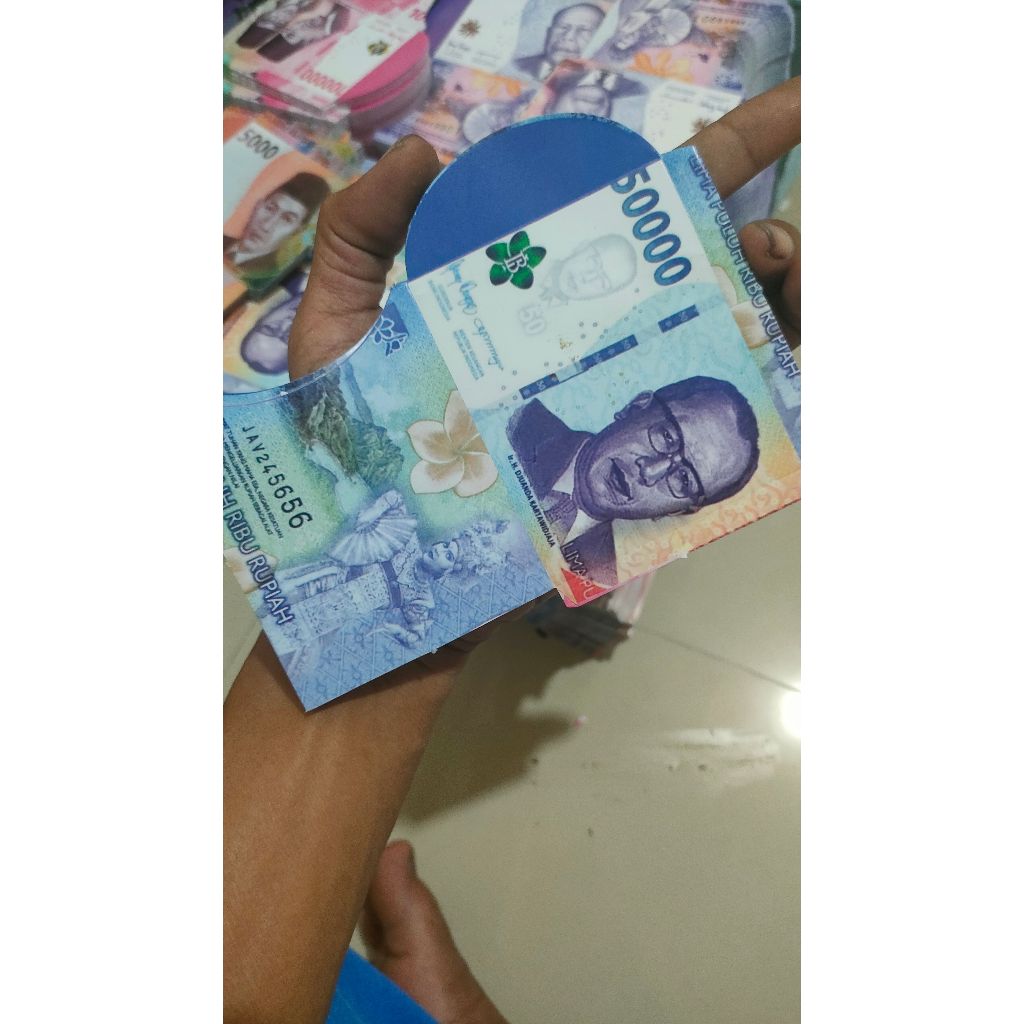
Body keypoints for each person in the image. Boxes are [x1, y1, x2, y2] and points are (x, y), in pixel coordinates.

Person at [225, 76, 801, 1024]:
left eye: (685, 478)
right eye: (666, 433)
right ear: (633, 401)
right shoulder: (503, 414)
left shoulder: (586, 562)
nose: (656, 468)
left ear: (688, 510)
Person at [507, 377, 759, 588]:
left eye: (684, 479)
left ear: (677, 511)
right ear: (636, 407)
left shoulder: (597, 579)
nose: (649, 471)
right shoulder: (514, 422)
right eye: (667, 436)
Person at [224, 172, 330, 295]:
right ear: (258, 205)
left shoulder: (263, 281)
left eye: (287, 219)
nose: (266, 226)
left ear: (296, 231)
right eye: (270, 208)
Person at [513, 3, 606, 81]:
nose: (568, 37)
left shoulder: (600, 80)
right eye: (563, 27)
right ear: (548, 33)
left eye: (583, 30)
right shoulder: (515, 66)